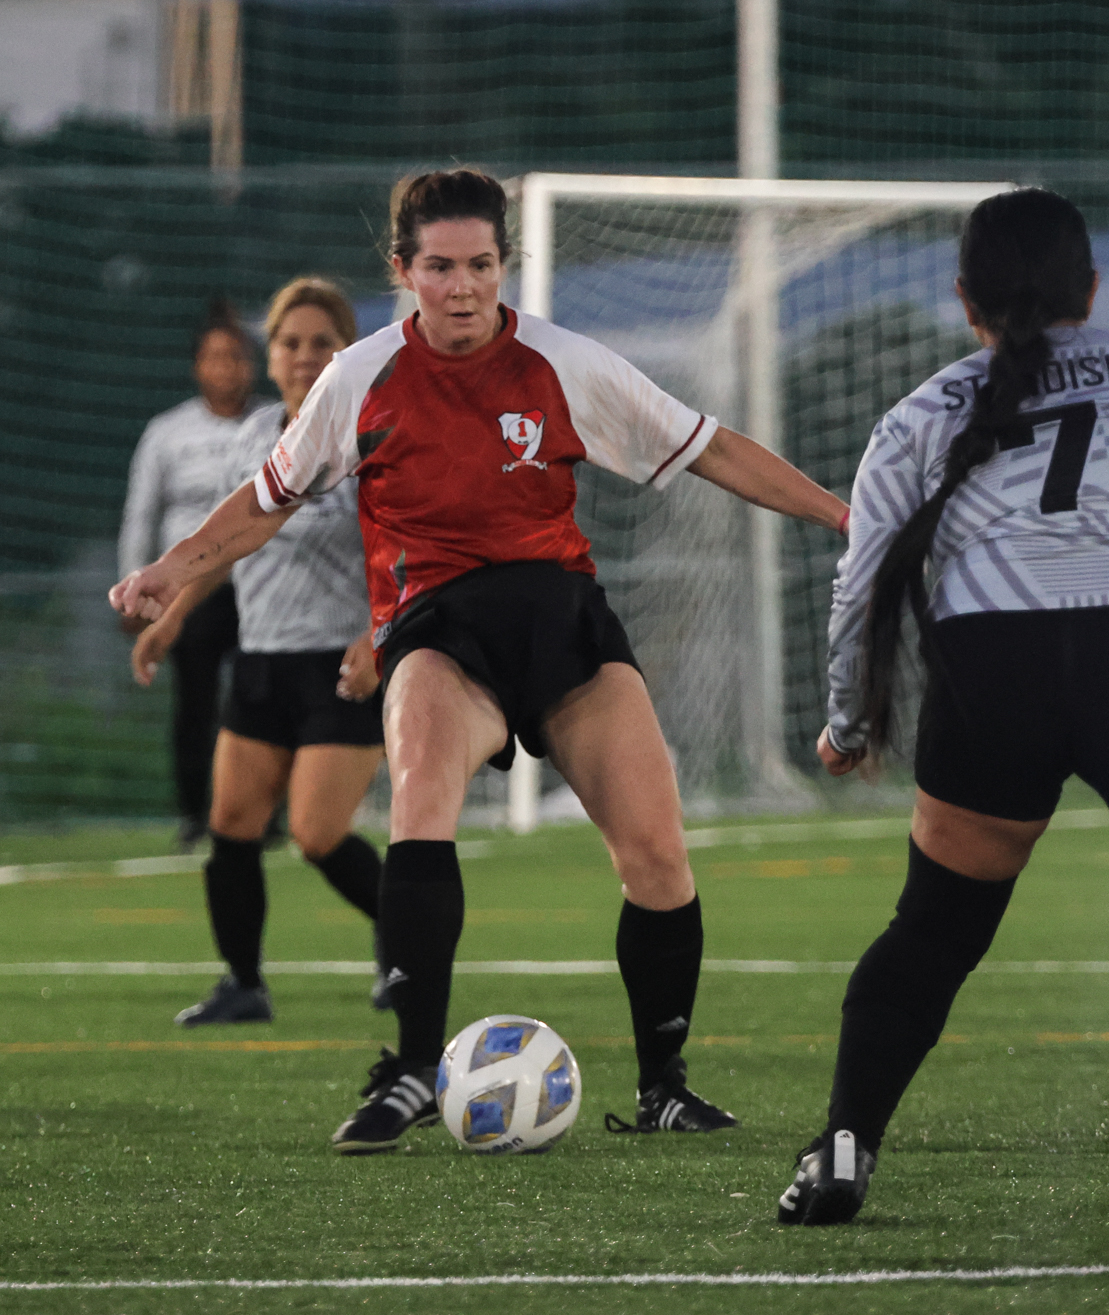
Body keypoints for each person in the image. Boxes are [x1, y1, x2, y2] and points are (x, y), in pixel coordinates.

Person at [112, 170, 850, 1155]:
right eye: (440, 268)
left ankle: (664, 1082)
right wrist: (168, 569)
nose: (462, 288)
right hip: (435, 634)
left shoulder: (561, 363)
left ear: (505, 264)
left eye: (481, 266)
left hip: (562, 629)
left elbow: (709, 449)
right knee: (418, 802)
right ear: (402, 270)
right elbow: (266, 499)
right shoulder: (359, 375)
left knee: (657, 855)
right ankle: (416, 1070)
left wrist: (846, 515)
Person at [775, 188, 1109, 1225]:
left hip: (991, 655)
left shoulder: (918, 411)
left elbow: (861, 581)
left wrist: (847, 723)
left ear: (962, 299)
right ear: (1093, 289)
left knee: (932, 930)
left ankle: (840, 1150)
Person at [132, 277, 390, 1027]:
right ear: (268, 356)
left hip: (340, 665)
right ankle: (243, 983)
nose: (305, 357)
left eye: (323, 343)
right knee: (233, 820)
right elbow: (227, 540)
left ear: (350, 355)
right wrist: (171, 617)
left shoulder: (370, 435)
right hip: (262, 657)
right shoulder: (252, 439)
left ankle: (402, 939)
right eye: (290, 343)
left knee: (315, 833)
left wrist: (379, 634)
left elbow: (404, 551)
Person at [119, 299, 268, 849]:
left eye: (236, 357)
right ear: (197, 366)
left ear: (253, 365)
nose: (225, 368)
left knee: (259, 699)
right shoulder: (167, 433)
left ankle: (263, 814)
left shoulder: (271, 426)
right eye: (214, 357)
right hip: (190, 595)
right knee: (195, 704)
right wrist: (135, 589)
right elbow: (141, 513)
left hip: (259, 586)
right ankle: (193, 813)